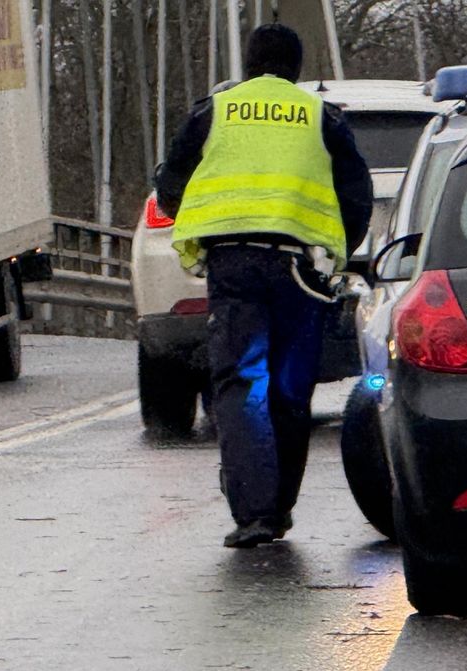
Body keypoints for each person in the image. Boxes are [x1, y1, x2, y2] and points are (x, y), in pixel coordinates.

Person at [156, 23, 372, 548]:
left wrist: (204, 222)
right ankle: (279, 509)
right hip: (296, 270)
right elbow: (356, 194)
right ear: (295, 68)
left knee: (238, 383)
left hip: (231, 266)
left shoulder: (215, 112)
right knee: (289, 389)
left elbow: (169, 188)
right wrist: (338, 250)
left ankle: (254, 515)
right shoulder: (321, 116)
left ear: (248, 64)